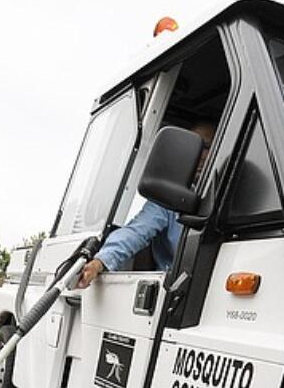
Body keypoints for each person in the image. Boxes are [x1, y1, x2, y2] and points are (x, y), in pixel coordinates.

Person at [77, 120, 215, 289]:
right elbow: (137, 231)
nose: (199, 154)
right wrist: (100, 261)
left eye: (206, 146)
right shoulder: (167, 197)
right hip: (174, 291)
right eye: (193, 148)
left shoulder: (230, 194)